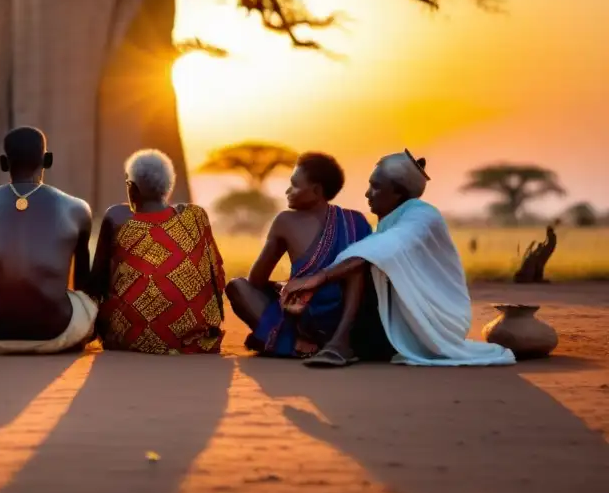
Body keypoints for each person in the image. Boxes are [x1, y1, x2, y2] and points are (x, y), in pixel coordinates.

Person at [282, 150, 515, 367]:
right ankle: (324, 337)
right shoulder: (390, 221)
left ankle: (340, 344)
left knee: (359, 262)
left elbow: (379, 250)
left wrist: (318, 278)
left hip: (431, 325)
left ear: (398, 193)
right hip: (394, 321)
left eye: (376, 187)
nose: (367, 194)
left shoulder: (422, 215)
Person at [225, 152, 373, 359]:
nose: (287, 191)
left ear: (316, 190)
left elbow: (256, 281)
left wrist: (285, 286)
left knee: (237, 287)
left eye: (294, 185)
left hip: (308, 318)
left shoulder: (285, 221)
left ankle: (290, 343)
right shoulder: (355, 220)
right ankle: (332, 341)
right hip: (352, 321)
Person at [0, 127, 95, 354]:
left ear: (4, 163)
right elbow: (82, 285)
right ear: (47, 160)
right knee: (86, 302)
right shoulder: (77, 208)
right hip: (55, 333)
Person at [89, 149, 226, 354]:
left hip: (129, 338)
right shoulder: (196, 216)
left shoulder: (117, 216)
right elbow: (216, 275)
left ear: (131, 188)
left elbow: (97, 281)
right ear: (168, 186)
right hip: (193, 339)